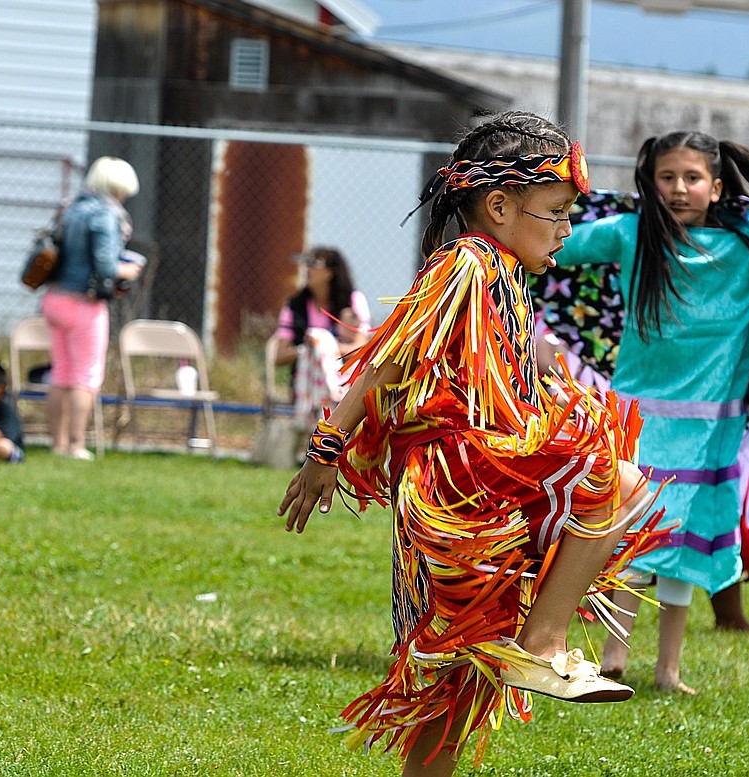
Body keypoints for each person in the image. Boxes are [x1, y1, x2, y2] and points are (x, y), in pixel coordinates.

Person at [278, 111, 664, 776]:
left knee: (460, 678)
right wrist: (325, 449)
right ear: (498, 205)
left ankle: (532, 641)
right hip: (462, 488)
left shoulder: (505, 274)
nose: (567, 231)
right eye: (556, 212)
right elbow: (386, 363)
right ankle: (543, 639)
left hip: (487, 484)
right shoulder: (467, 263)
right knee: (612, 476)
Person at [544, 131, 749, 695]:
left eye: (692, 178)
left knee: (683, 541)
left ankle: (669, 669)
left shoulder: (748, 246)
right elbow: (560, 247)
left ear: (717, 186)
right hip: (636, 418)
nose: (679, 189)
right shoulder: (632, 235)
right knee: (628, 532)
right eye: (666, 178)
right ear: (650, 183)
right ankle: (613, 656)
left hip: (710, 426)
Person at [42, 156, 143, 461]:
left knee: (60, 373)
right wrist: (128, 271)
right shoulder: (105, 214)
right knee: (85, 377)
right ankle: (75, 444)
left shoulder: (72, 207)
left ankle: (57, 444)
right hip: (84, 304)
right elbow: (105, 266)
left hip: (54, 299)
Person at [273, 247, 371, 430]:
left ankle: (318, 427)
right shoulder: (294, 306)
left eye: (314, 264)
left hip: (347, 377)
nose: (306, 269)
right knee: (319, 344)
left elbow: (361, 347)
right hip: (307, 378)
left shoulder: (353, 301)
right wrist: (310, 350)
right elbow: (279, 356)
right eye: (305, 263)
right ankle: (332, 404)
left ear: (330, 273)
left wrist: (325, 346)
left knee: (321, 342)